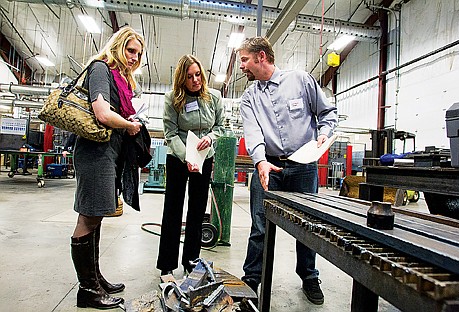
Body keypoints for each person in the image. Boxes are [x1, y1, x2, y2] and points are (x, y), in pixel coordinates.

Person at [237, 37, 338, 305]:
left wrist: (324, 135)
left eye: (244, 60)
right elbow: (253, 133)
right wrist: (260, 162)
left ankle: (308, 276)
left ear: (260, 57)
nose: (241, 67)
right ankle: (251, 280)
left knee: (307, 224)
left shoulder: (300, 80)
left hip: (304, 166)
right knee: (260, 226)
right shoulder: (249, 98)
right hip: (269, 166)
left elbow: (327, 114)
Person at [70, 26, 144, 310]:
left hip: (107, 153)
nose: (134, 57)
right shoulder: (101, 68)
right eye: (130, 50)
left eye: (138, 53)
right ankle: (87, 290)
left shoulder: (121, 79)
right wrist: (129, 124)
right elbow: (102, 113)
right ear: (117, 47)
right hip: (94, 152)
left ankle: (95, 279)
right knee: (87, 217)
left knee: (96, 215)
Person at [156, 54, 225, 276]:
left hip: (204, 158)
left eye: (197, 75)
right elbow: (171, 133)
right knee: (173, 210)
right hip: (178, 158)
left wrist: (212, 137)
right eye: (189, 77)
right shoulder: (172, 99)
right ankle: (167, 265)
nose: (195, 80)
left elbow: (221, 126)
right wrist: (187, 157)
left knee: (197, 210)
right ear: (181, 79)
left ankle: (192, 260)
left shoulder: (213, 97)